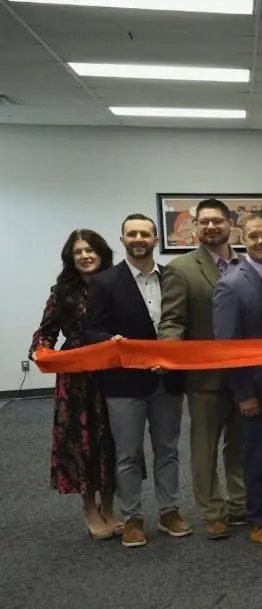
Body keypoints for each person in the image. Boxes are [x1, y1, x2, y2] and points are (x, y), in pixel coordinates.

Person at [84, 214, 189, 548]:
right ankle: (132, 518)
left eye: (145, 233)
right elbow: (91, 330)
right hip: (124, 382)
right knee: (128, 454)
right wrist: (112, 340)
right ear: (123, 239)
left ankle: (169, 511)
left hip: (167, 380)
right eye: (132, 234)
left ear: (156, 239)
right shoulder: (104, 282)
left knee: (168, 449)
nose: (139, 238)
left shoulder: (173, 277)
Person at [158, 198, 245, 540]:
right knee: (205, 447)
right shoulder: (181, 269)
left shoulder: (248, 264)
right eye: (204, 222)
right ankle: (213, 512)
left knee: (239, 445)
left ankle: (241, 505)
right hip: (205, 378)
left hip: (243, 376)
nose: (211, 227)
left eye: (217, 221)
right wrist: (167, 354)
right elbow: (172, 321)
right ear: (195, 228)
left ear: (230, 226)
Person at [30, 229, 120, 540]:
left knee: (112, 439)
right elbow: (46, 331)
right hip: (78, 378)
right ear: (71, 257)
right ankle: (90, 508)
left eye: (90, 250)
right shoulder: (62, 292)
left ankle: (109, 506)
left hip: (111, 372)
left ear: (102, 253)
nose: (84, 255)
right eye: (78, 251)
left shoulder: (117, 284)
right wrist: (41, 350)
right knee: (83, 442)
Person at [212, 213, 262, 547]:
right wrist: (242, 393)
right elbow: (227, 346)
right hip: (256, 388)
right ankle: (259, 518)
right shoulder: (231, 284)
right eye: (252, 236)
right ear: (243, 239)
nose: (259, 241)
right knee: (256, 456)